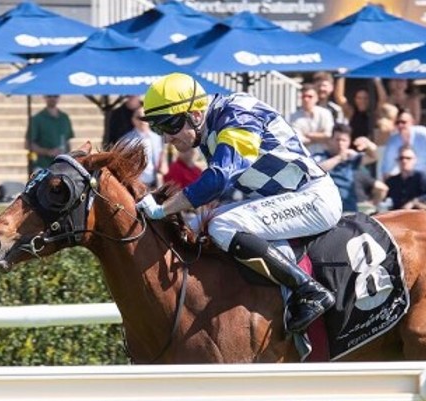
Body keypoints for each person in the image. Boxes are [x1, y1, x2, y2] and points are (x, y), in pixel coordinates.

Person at [135, 72, 342, 334]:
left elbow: (219, 178)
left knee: (222, 225)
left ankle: (308, 290)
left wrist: (163, 209)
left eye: (168, 126)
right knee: (197, 224)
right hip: (282, 199)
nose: (165, 138)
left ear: (196, 115)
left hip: (314, 198)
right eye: (157, 129)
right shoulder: (210, 125)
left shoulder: (237, 114)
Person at [314, 123, 378, 213]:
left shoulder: (352, 158)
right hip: (327, 211)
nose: (340, 143)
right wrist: (339, 158)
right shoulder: (320, 157)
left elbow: (373, 157)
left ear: (349, 142)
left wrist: (368, 144)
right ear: (331, 140)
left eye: (344, 140)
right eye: (337, 140)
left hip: (349, 209)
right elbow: (315, 171)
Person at [379, 109, 426, 189]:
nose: (400, 125)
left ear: (412, 122)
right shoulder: (393, 141)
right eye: (397, 122)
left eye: (403, 122)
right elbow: (386, 171)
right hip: (407, 186)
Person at [27, 95, 74, 171]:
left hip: (62, 166)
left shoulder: (65, 118)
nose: (52, 98)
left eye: (55, 96)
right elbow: (29, 144)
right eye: (49, 96)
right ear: (45, 97)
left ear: (59, 97)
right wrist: (48, 152)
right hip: (43, 166)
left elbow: (67, 142)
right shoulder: (37, 119)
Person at [121, 111, 165, 191]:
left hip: (153, 184)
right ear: (133, 120)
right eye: (139, 118)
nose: (142, 121)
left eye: (145, 118)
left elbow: (161, 159)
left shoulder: (157, 138)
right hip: (135, 185)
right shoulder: (126, 140)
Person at [289, 83, 334, 155]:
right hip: (305, 155)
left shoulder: (326, 113)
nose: (306, 99)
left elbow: (329, 135)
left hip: (325, 154)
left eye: (310, 96)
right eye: (304, 96)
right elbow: (298, 140)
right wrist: (320, 137)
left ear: (317, 98)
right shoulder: (294, 116)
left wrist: (309, 135)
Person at [385, 146, 426, 211]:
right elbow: (383, 198)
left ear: (415, 160)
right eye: (401, 158)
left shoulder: (421, 177)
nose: (404, 161)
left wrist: (413, 202)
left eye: (408, 158)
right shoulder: (392, 181)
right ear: (397, 160)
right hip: (396, 216)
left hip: (417, 214)